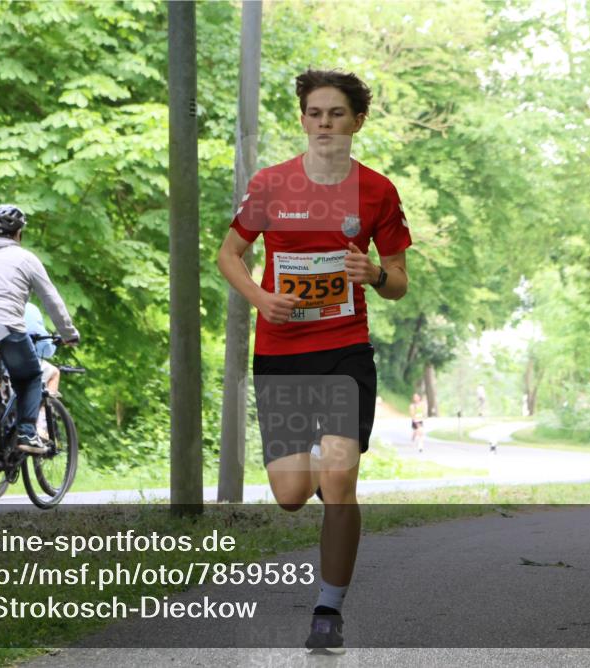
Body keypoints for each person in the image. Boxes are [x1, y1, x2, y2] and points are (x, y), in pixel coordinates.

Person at [217, 69, 411, 654]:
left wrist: (374, 273)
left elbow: (399, 281)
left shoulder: (377, 191)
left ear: (357, 122)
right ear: (302, 119)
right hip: (281, 352)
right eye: (314, 113)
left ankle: (328, 612)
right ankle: (330, 486)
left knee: (340, 481)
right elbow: (229, 255)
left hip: (345, 351)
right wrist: (260, 298)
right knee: (290, 494)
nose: (324, 123)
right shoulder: (273, 184)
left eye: (336, 113)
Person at [0, 205, 78, 480]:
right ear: (18, 233)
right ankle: (26, 432)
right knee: (32, 375)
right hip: (6, 328)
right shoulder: (25, 258)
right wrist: (68, 333)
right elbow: (51, 299)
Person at [24, 302, 60, 439]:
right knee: (54, 373)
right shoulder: (29, 308)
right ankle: (40, 425)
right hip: (19, 362)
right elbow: (45, 347)